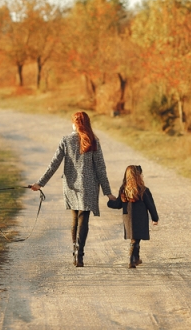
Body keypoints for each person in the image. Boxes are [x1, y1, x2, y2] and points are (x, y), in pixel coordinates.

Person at [30, 111, 116, 267]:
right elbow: (100, 168)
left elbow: (54, 164)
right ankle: (79, 255)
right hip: (89, 186)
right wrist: (107, 192)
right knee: (84, 219)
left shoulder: (66, 140)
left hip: (71, 185)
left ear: (75, 124)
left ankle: (74, 252)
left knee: (75, 218)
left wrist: (40, 183)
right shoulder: (94, 141)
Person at [107, 165, 159, 268]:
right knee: (135, 240)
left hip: (128, 219)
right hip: (140, 218)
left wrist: (109, 202)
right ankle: (132, 259)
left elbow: (118, 204)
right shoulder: (143, 190)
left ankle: (136, 258)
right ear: (138, 176)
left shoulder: (123, 190)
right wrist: (154, 218)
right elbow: (150, 205)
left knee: (135, 239)